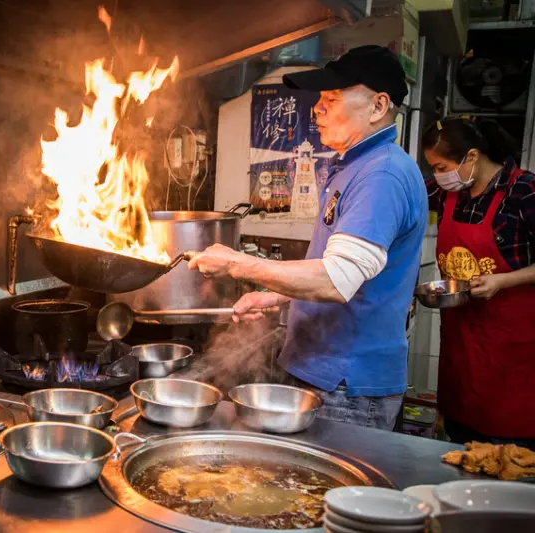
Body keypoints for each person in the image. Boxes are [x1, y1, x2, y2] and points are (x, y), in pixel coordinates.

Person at [189, 45, 428, 430]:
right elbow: (343, 265)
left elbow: (336, 280)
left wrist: (236, 263)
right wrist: (277, 293)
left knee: (327, 491)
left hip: (346, 385)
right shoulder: (355, 165)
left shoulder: (381, 176)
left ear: (378, 106)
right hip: (320, 369)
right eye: (319, 99)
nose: (316, 109)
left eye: (331, 99)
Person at [422, 117, 535, 449]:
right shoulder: (447, 193)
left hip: (515, 351)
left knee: (509, 462)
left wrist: (503, 280)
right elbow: (402, 195)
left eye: (441, 166)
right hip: (463, 343)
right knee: (461, 448)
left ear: (471, 157)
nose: (437, 176)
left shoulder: (524, 191)